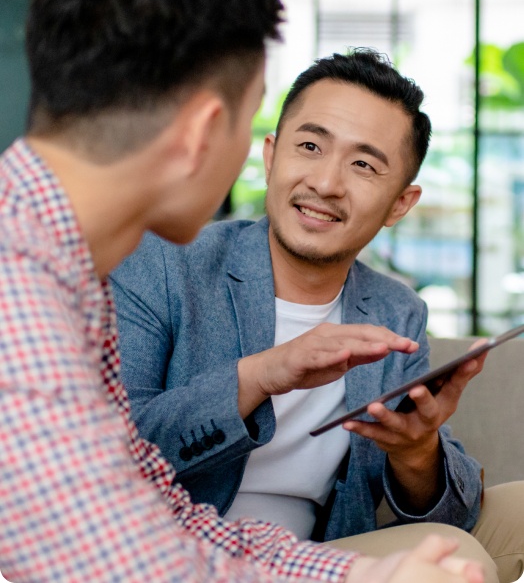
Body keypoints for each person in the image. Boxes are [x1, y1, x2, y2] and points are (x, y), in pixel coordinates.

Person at [0, 0, 487, 581]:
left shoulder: (63, 269)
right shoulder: (22, 287)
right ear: (212, 133)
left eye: (363, 165)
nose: (322, 181)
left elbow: (163, 508)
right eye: (297, 141)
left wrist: (359, 575)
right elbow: (125, 563)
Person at [112, 50, 520, 583]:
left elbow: (447, 512)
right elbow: (106, 452)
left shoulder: (396, 313)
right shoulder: (162, 264)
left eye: (363, 165)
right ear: (271, 156)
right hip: (173, 553)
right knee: (448, 555)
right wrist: (262, 374)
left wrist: (417, 452)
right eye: (309, 147)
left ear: (401, 203)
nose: (326, 183)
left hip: (318, 555)